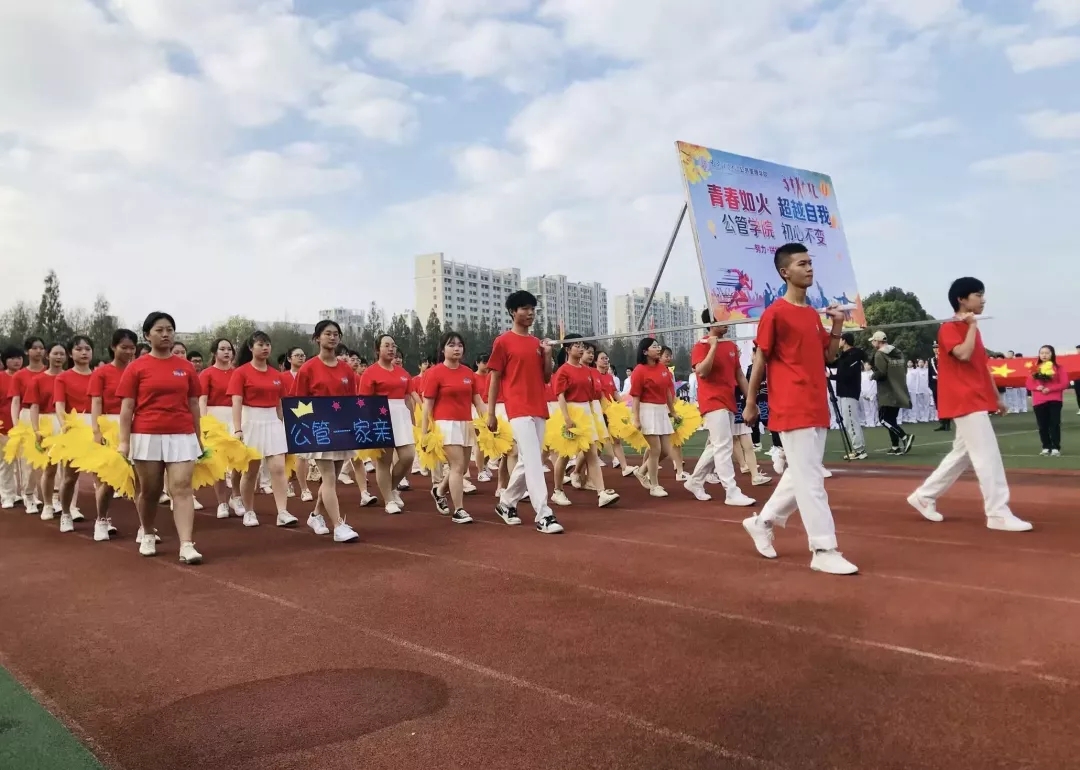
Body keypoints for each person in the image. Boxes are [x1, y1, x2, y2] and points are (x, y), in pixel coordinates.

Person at [740, 242, 857, 575]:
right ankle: (823, 549)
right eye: (801, 264)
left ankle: (762, 523)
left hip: (816, 403)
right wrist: (751, 402)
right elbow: (760, 359)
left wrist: (837, 325)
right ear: (785, 272)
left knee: (802, 474)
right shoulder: (775, 313)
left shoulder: (810, 315)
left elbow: (829, 356)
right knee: (811, 481)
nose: (809, 268)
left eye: (810, 263)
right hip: (792, 406)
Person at [907, 278, 1032, 531]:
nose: (983, 300)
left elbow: (981, 366)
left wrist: (996, 397)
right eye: (978, 295)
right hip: (962, 399)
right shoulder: (949, 328)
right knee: (987, 455)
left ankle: (924, 496)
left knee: (962, 454)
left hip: (975, 397)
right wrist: (972, 326)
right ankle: (997, 512)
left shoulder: (971, 328)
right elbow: (963, 355)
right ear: (962, 299)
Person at [116, 312, 204, 563]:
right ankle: (147, 531)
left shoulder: (186, 367)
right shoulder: (137, 367)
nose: (166, 334)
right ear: (147, 335)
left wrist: (198, 438)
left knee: (182, 488)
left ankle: (186, 544)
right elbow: (127, 407)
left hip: (182, 434)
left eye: (169, 330)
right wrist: (124, 442)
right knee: (150, 491)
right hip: (147, 434)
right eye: (159, 330)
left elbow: (194, 404)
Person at [486, 290, 564, 534]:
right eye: (525, 308)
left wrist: (548, 355)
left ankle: (507, 502)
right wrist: (490, 413)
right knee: (532, 460)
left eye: (533, 309)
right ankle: (544, 514)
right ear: (513, 312)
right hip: (517, 407)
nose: (530, 313)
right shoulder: (503, 341)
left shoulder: (537, 343)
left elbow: (546, 377)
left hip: (538, 405)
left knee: (529, 460)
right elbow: (494, 379)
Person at [293, 320, 361, 542]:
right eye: (327, 334)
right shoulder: (308, 369)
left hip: (341, 429)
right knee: (329, 478)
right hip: (320, 429)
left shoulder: (346, 370)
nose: (332, 337)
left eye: (336, 334)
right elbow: (298, 403)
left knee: (330, 478)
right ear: (317, 338)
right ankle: (338, 526)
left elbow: (352, 401)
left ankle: (315, 515)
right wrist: (306, 429)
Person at [684, 311, 755, 505]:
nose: (727, 323)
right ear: (710, 323)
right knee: (723, 446)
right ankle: (731, 491)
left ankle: (695, 481)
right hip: (712, 401)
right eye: (721, 320)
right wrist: (713, 347)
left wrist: (751, 400)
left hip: (728, 400)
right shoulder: (701, 345)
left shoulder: (731, 346)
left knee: (716, 445)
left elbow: (739, 375)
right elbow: (702, 372)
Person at [228, 331, 298, 528]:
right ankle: (249, 511)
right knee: (251, 471)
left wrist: (282, 425)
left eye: (267, 344)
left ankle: (282, 512)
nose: (265, 348)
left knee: (278, 469)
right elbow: (236, 402)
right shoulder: (241, 372)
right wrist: (238, 429)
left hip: (272, 422)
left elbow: (280, 404)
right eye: (260, 344)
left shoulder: (276, 375)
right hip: (251, 421)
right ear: (251, 348)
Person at [422, 332, 489, 523]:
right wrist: (425, 432)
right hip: (445, 425)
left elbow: (478, 401)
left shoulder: (468, 373)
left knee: (462, 467)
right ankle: (459, 509)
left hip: (466, 424)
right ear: (443, 349)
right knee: (457, 466)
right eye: (451, 345)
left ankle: (439, 491)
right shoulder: (434, 373)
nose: (456, 348)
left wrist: (489, 420)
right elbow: (427, 405)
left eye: (459, 345)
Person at [358, 334, 417, 515]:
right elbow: (363, 401)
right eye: (386, 345)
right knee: (384, 461)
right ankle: (389, 500)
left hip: (401, 416)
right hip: (380, 417)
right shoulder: (370, 373)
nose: (391, 349)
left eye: (393, 345)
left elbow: (408, 397)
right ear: (378, 350)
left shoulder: (403, 373)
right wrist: (368, 422)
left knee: (408, 456)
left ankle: (390, 488)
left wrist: (413, 419)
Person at [87, 329, 137, 541]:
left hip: (136, 425)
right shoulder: (102, 373)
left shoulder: (136, 370)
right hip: (109, 425)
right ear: (113, 347)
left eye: (132, 348)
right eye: (123, 347)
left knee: (139, 479)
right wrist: (97, 431)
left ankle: (145, 527)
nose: (128, 352)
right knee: (107, 480)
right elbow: (96, 402)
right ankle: (101, 519)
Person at [630, 338, 677, 498]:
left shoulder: (662, 368)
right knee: (655, 449)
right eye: (654, 347)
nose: (658, 349)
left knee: (666, 450)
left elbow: (667, 392)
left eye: (658, 346)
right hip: (647, 410)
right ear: (645, 351)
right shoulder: (639, 371)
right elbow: (635, 397)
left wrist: (673, 411)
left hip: (661, 410)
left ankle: (642, 471)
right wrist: (636, 419)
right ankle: (654, 485)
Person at [869, 331, 914, 455]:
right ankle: (895, 447)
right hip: (899, 389)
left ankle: (905, 436)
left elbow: (881, 373)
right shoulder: (898, 352)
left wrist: (873, 376)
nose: (872, 343)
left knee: (884, 419)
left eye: (873, 341)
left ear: (878, 341)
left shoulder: (879, 354)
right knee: (892, 419)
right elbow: (904, 370)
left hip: (887, 391)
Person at [1026, 345, 1069, 456]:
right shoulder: (1035, 368)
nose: (1044, 355)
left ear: (1052, 354)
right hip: (1039, 400)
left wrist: (1050, 389)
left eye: (1047, 353)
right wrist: (1037, 387)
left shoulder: (1059, 368)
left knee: (1054, 423)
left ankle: (1055, 447)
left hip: (1054, 399)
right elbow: (1029, 384)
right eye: (1042, 353)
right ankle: (1046, 446)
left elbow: (1064, 383)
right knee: (1042, 425)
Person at [832, 333, 867, 460]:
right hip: (845, 392)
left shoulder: (853, 356)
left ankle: (859, 449)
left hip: (849, 392)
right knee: (851, 420)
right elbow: (835, 364)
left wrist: (830, 376)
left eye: (840, 340)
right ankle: (859, 447)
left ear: (845, 341)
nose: (838, 343)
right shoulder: (846, 356)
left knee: (850, 421)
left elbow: (847, 375)